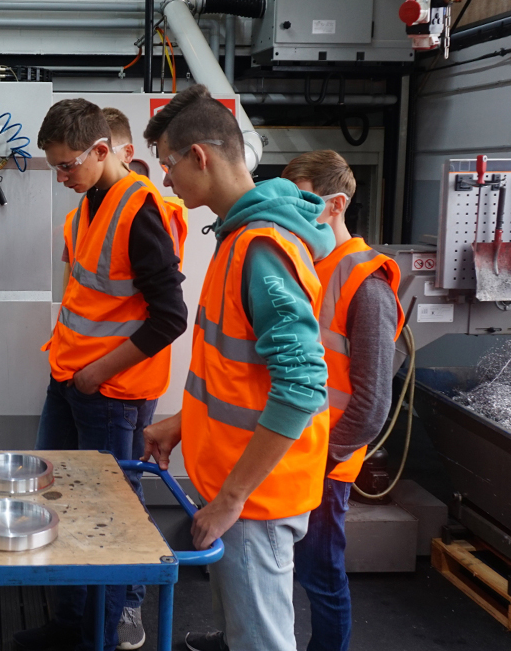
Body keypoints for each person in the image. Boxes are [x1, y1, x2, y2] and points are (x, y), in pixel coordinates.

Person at [139, 85, 334, 651]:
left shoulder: (261, 248)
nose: (167, 181)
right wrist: (181, 422)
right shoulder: (237, 237)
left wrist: (230, 501)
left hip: (254, 497)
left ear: (199, 155)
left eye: (169, 165)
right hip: (234, 480)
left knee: (263, 642)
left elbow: (301, 387)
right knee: (243, 629)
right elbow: (235, 373)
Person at [15, 98, 187, 651]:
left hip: (110, 393)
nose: (61, 177)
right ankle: (70, 625)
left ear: (102, 150)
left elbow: (169, 319)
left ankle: (101, 636)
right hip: (69, 383)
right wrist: (72, 373)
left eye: (68, 165)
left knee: (108, 524)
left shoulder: (141, 212)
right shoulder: (91, 202)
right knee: (56, 500)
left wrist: (95, 374)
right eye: (55, 166)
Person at [281, 150, 404, 651]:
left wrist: (326, 456)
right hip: (292, 453)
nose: (290, 211)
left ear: (334, 204)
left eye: (301, 199)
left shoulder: (366, 283)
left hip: (323, 464)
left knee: (320, 573)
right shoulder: (311, 263)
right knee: (279, 567)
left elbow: (373, 403)